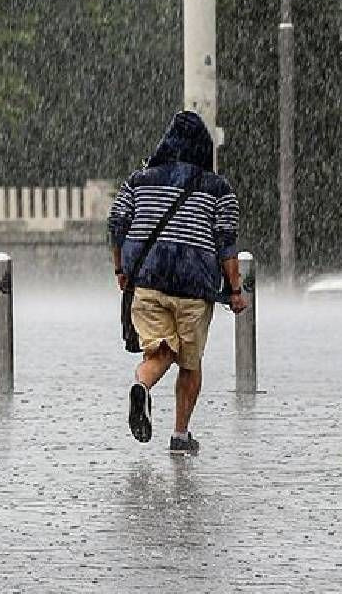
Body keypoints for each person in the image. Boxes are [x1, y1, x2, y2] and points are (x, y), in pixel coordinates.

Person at [108, 110, 248, 455]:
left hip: (149, 281)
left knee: (160, 351)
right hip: (194, 287)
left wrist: (121, 270)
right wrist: (234, 291)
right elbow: (225, 244)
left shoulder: (138, 181)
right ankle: (181, 436)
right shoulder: (218, 189)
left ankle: (142, 385)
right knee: (190, 362)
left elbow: (116, 225)